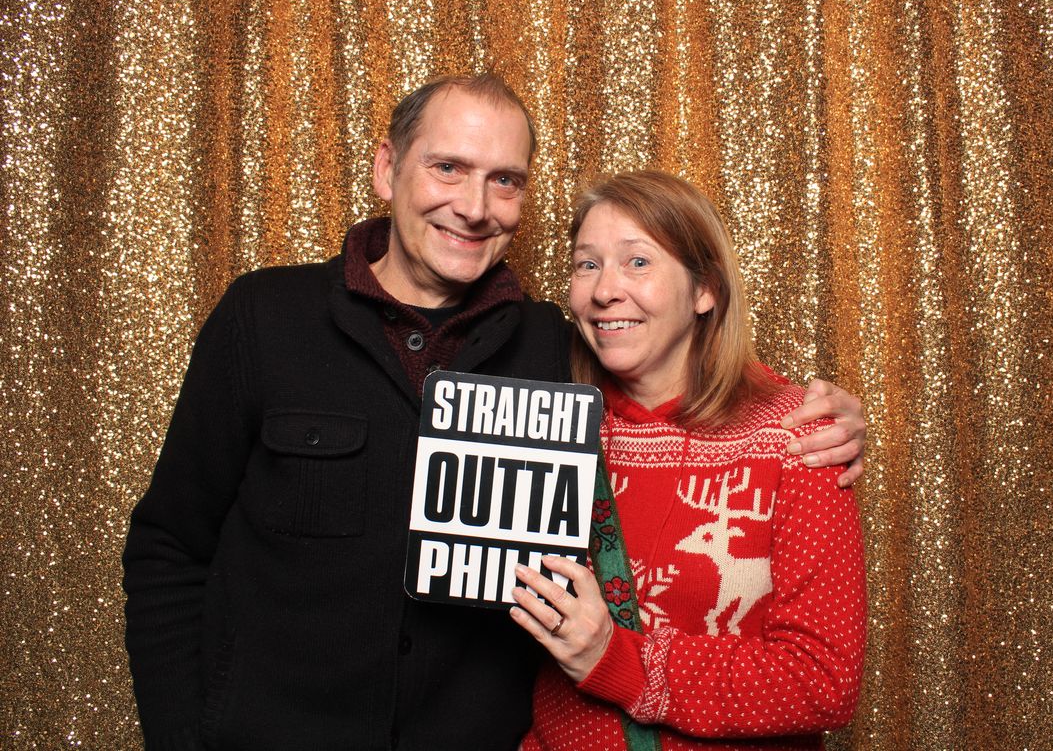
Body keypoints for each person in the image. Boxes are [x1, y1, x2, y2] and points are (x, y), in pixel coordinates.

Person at [122, 74, 865, 751]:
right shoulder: (265, 318)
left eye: (504, 181)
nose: (474, 207)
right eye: (448, 167)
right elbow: (169, 548)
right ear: (387, 169)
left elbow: (686, 373)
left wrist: (811, 409)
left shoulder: (553, 351)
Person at [510, 170, 867, 750]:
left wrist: (618, 661)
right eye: (587, 263)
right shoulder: (547, 422)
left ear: (706, 291)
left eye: (639, 262)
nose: (605, 291)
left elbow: (822, 682)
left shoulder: (798, 438)